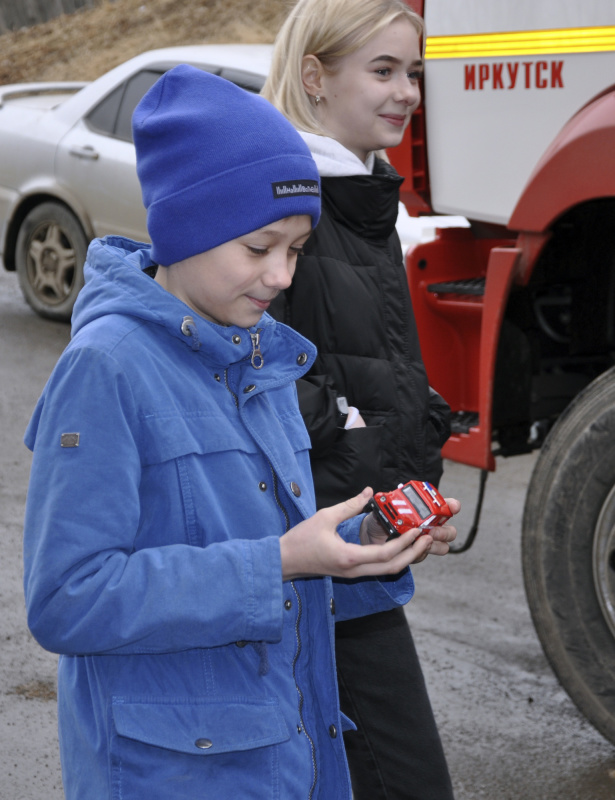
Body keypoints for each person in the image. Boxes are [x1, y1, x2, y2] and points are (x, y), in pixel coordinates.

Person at [21, 65, 458, 799]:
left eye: (295, 249)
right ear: (188, 227)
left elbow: (277, 548)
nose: (282, 275)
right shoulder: (106, 370)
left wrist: (363, 549)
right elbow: (68, 597)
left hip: (279, 761)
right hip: (170, 773)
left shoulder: (261, 356)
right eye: (260, 248)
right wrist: (279, 563)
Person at [261, 2, 455, 798]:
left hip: (357, 537)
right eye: (382, 71)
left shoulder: (369, 195)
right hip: (315, 550)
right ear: (314, 78)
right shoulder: (287, 197)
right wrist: (347, 429)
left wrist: (417, 439)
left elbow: (366, 356)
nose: (407, 91)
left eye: (412, 72)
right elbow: (252, 361)